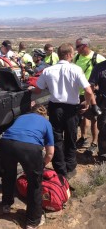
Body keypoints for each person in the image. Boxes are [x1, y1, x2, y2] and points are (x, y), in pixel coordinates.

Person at [31, 43, 98, 179]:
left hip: (55, 108)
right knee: (71, 137)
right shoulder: (76, 69)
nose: (73, 56)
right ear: (68, 55)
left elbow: (37, 89)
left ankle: (60, 168)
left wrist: (31, 91)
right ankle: (70, 167)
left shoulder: (48, 71)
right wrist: (86, 104)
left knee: (56, 138)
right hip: (71, 109)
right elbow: (89, 91)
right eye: (73, 54)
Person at [0, 104, 54, 229]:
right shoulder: (46, 123)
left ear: (31, 111)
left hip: (6, 143)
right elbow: (50, 153)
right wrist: (41, 166)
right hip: (29, 148)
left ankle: (6, 204)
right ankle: (33, 221)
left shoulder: (21, 117)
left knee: (8, 174)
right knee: (34, 184)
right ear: (44, 115)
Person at [74, 37, 105, 155]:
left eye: (78, 46)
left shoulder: (97, 58)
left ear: (85, 46)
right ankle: (84, 138)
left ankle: (95, 143)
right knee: (83, 117)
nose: (76, 49)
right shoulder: (77, 57)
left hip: (93, 95)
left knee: (94, 119)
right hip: (79, 93)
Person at [89, 60, 106, 161]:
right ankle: (103, 153)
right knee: (103, 128)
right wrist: (93, 104)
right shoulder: (99, 67)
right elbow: (91, 86)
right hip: (103, 104)